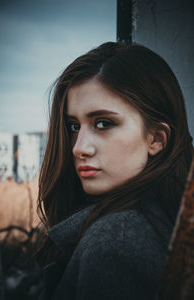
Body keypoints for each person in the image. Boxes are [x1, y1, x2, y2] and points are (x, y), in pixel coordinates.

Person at [36, 42, 193, 300]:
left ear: (156, 139)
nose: (79, 148)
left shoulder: (113, 243)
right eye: (74, 126)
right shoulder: (169, 221)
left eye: (103, 123)